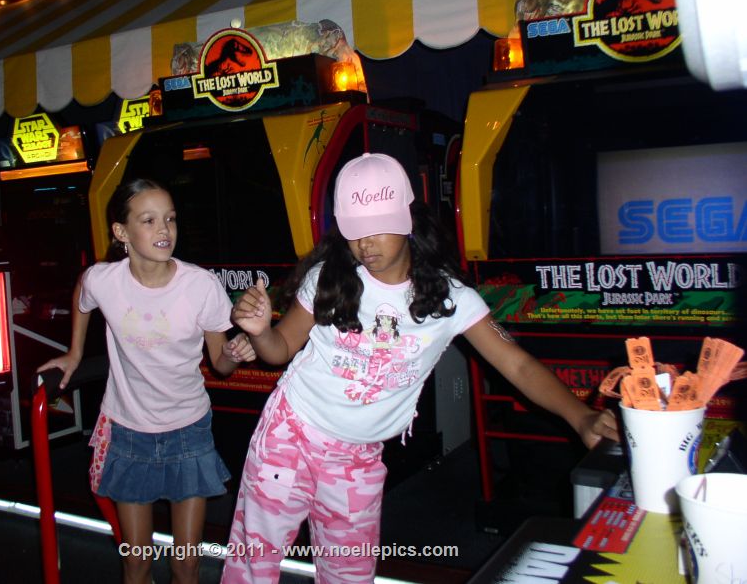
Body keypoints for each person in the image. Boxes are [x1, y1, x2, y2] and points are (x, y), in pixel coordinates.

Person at [222, 153, 620, 583]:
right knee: (253, 563)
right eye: (355, 230)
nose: (365, 243)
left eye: (378, 226)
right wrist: (261, 331)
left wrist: (581, 416)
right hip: (291, 434)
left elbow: (517, 364)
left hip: (358, 459)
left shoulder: (450, 299)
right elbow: (280, 349)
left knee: (349, 574)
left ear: (408, 218)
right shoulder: (328, 277)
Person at [37, 178, 255, 584]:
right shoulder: (106, 280)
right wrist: (74, 351)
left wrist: (234, 353)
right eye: (149, 220)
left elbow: (220, 365)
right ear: (121, 232)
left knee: (186, 564)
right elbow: (84, 290)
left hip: (188, 430)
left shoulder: (200, 285)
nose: (164, 230)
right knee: (136, 563)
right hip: (128, 431)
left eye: (170, 219)